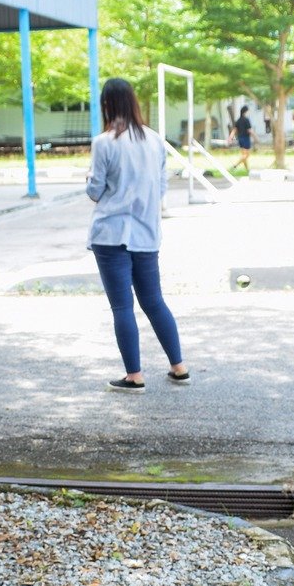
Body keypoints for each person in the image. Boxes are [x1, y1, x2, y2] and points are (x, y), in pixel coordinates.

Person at [87, 77, 188, 390]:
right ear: (133, 102)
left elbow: (95, 190)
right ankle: (179, 368)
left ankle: (134, 375)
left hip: (110, 234)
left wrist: (89, 179)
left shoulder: (103, 142)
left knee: (122, 307)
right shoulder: (155, 140)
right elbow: (160, 187)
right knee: (154, 301)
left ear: (107, 104)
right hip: (146, 233)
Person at [231, 104, 255, 173]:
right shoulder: (246, 120)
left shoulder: (238, 120)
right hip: (246, 139)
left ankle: (247, 170)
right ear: (245, 111)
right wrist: (256, 137)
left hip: (240, 139)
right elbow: (249, 130)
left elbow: (234, 130)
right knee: (247, 155)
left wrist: (230, 137)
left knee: (244, 155)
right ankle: (235, 165)